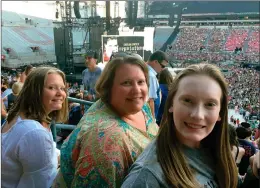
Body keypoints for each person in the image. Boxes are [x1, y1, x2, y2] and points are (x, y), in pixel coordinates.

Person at [122, 63, 238, 188]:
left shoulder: (217, 150)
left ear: (220, 113)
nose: (198, 115)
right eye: (188, 100)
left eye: (210, 104)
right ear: (171, 104)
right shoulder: (147, 177)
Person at [52, 55, 158, 187]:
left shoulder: (143, 108)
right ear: (109, 88)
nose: (137, 90)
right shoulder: (105, 141)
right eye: (126, 83)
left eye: (141, 82)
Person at [1, 67, 68, 188]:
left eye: (62, 88)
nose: (60, 93)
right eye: (51, 88)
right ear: (35, 91)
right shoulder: (34, 132)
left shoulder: (20, 116)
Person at [147, 50, 168, 118]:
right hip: (150, 116)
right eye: (162, 66)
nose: (162, 69)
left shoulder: (147, 72)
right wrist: (152, 121)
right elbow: (150, 100)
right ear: (155, 62)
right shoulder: (151, 76)